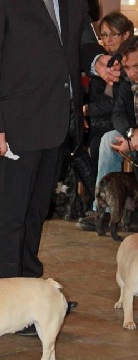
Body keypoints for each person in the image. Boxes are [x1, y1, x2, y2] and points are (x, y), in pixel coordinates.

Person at [0, 0, 120, 335]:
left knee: (35, 211)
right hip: (15, 122)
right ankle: (8, 305)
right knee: (13, 215)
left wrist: (97, 60)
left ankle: (30, 297)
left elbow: (80, 40)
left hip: (56, 120)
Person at [78, 35, 138, 232]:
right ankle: (103, 211)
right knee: (107, 139)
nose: (132, 72)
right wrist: (130, 134)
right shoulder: (126, 81)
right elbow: (118, 114)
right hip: (132, 133)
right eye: (127, 68)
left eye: (136, 66)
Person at [84, 12, 133, 182]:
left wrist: (86, 110)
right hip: (99, 121)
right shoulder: (99, 61)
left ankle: (101, 202)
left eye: (113, 34)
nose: (107, 40)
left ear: (126, 34)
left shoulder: (129, 61)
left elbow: (119, 104)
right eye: (104, 35)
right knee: (69, 136)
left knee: (102, 141)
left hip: (118, 122)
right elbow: (93, 96)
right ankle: (80, 195)